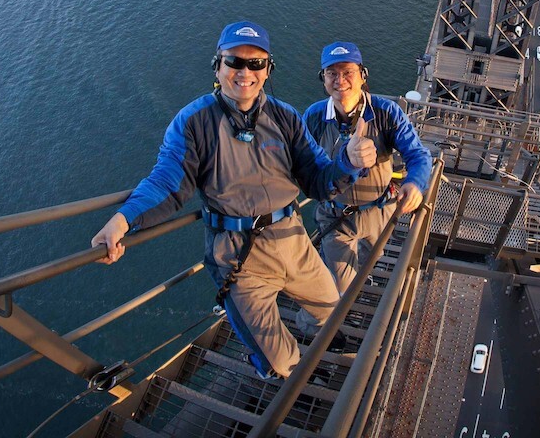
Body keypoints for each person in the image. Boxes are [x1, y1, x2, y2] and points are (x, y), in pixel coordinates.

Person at [90, 21, 377, 380]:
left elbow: (318, 179)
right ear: (218, 66)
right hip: (240, 260)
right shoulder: (193, 122)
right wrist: (123, 220)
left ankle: (325, 352)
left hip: (293, 241)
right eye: (234, 62)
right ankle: (292, 382)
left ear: (268, 69)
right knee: (279, 363)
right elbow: (167, 181)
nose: (246, 72)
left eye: (256, 64)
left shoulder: (285, 117)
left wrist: (348, 162)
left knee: (331, 310)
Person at [304, 41, 432, 293]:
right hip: (335, 215)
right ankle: (316, 324)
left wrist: (414, 183)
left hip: (379, 211)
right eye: (332, 73)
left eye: (348, 72)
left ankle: (362, 275)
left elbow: (418, 154)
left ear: (363, 75)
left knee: (373, 256)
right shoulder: (313, 116)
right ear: (323, 79)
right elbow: (301, 162)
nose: (340, 80)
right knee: (340, 287)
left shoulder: (386, 112)